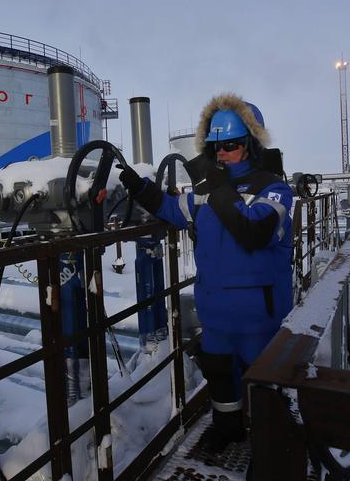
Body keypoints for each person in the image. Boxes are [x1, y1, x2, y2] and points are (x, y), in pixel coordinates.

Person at [118, 93, 293, 453]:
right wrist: (142, 190)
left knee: (264, 386)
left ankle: (270, 447)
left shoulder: (273, 189)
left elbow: (253, 233)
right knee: (220, 378)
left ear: (250, 145)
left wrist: (218, 188)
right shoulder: (205, 194)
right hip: (215, 315)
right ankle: (228, 429)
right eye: (215, 146)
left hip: (258, 317)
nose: (221, 153)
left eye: (229, 145)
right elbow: (172, 208)